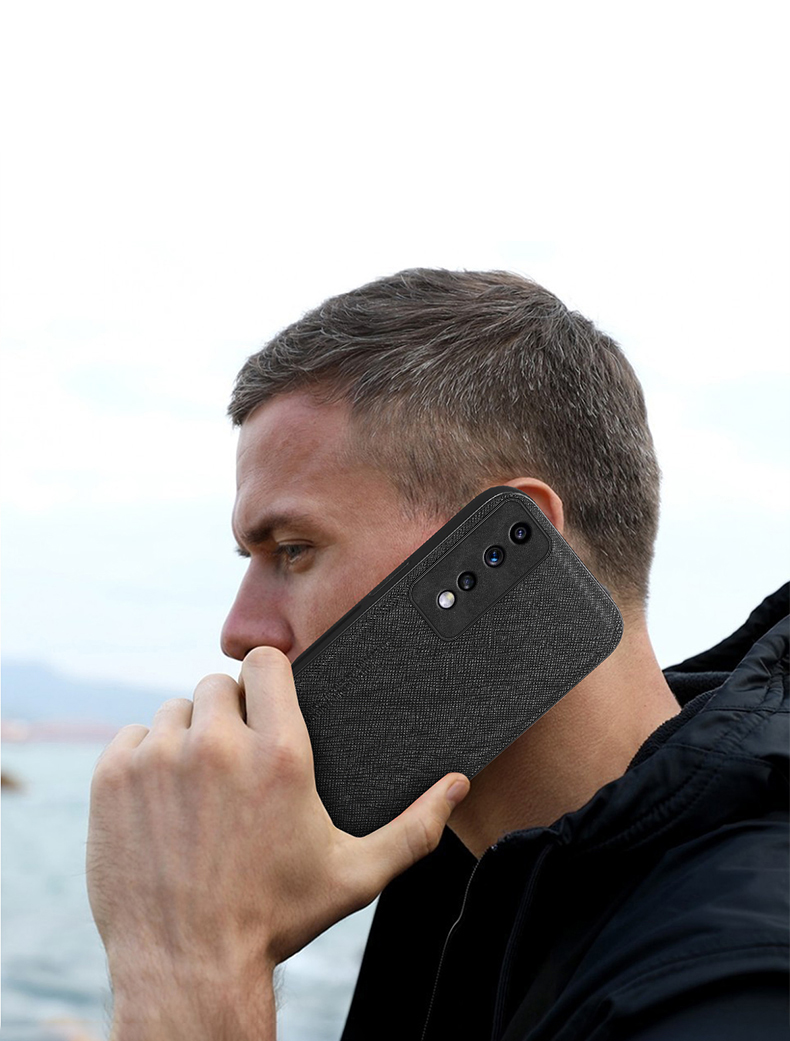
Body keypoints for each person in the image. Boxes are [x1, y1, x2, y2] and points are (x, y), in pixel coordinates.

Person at [86, 269, 788, 1040]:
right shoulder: (455, 874)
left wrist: (191, 966)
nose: (240, 629)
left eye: (293, 549)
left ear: (509, 552)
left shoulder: (734, 977)